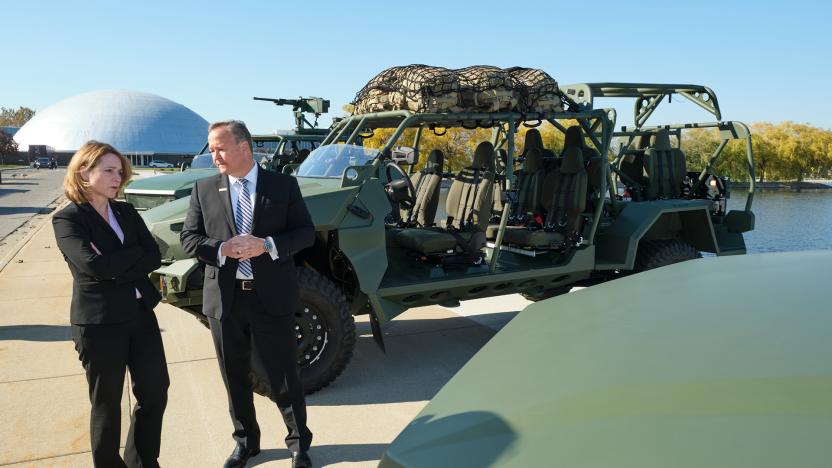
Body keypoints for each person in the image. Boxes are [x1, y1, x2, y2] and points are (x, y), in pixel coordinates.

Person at [180, 121, 314, 468]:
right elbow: (190, 239)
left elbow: (305, 234)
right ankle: (246, 443)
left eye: (220, 148)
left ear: (244, 147)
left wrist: (266, 245)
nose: (214, 155)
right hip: (226, 300)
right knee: (234, 376)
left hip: (271, 297)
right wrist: (223, 249)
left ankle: (299, 445)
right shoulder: (204, 189)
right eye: (211, 148)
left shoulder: (283, 186)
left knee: (284, 374)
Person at [52, 141, 169, 467]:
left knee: (155, 391)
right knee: (106, 404)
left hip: (140, 315)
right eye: (108, 170)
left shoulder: (126, 211)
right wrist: (130, 259)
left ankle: (143, 461)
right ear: (84, 173)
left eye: (119, 171)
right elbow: (94, 266)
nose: (117, 177)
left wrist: (117, 262)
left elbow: (154, 255)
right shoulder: (68, 220)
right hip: (99, 323)